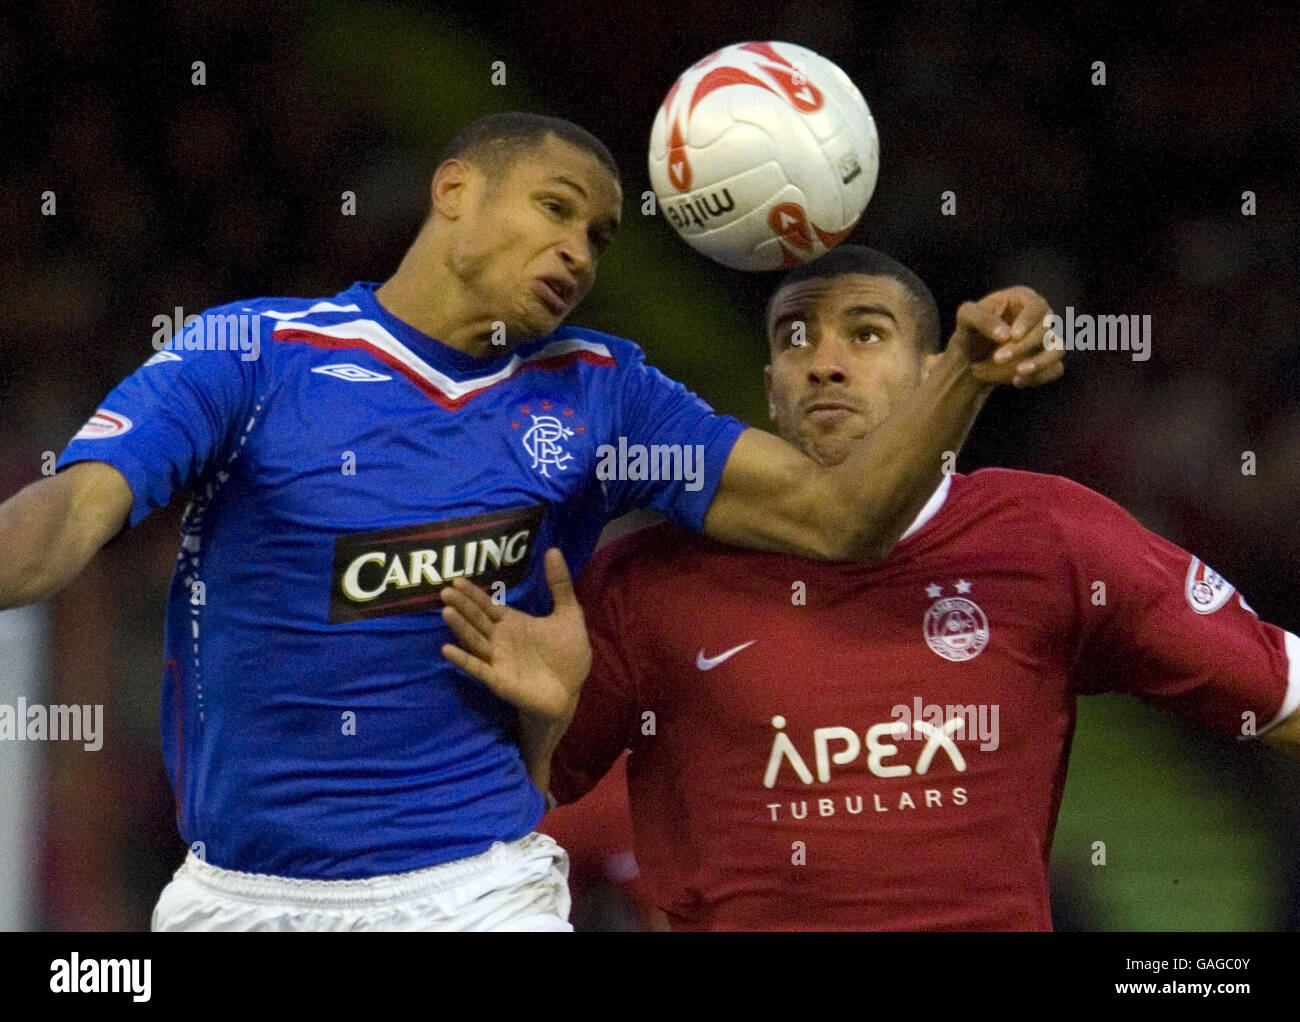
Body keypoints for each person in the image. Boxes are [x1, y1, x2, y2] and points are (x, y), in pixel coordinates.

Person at [0, 112, 1059, 931]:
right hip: (239, 893)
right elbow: (65, 520)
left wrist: (961, 374)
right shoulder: (255, 354)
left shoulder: (601, 392)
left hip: (475, 888)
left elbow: (839, 517)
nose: (579, 253)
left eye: (598, 235)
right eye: (556, 209)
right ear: (453, 190)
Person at [438, 244, 1300, 931]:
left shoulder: (1051, 539)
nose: (825, 363)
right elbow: (504, 818)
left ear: (934, 373)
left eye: (868, 333)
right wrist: (538, 724)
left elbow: (1283, 694)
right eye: (795, 339)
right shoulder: (646, 577)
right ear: (770, 391)